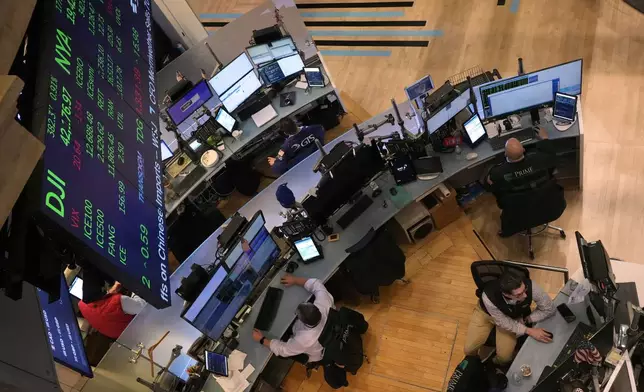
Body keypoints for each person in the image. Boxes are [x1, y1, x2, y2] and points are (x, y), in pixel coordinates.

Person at [464, 270, 556, 365]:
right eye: (519, 294)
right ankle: (474, 363)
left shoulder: (531, 286)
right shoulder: (488, 296)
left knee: (504, 358)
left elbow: (549, 308)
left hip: (511, 317)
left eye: (525, 289)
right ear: (506, 295)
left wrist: (527, 319)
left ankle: (490, 365)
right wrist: (530, 330)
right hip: (486, 314)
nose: (525, 295)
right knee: (468, 349)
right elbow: (503, 322)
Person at [252, 274, 334, 363]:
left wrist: (262, 339)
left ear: (302, 321)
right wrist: (294, 279)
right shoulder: (325, 303)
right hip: (332, 335)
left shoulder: (303, 340)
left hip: (317, 352)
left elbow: (283, 350)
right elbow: (315, 284)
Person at [486, 126, 557, 195]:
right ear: (524, 150)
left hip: (519, 203)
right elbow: (552, 156)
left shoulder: (497, 173)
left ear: (505, 154)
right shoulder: (541, 159)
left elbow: (489, 186)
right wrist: (545, 138)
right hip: (545, 197)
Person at [78, 281, 147, 340]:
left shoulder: (82, 304)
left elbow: (98, 305)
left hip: (122, 338)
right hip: (140, 331)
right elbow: (142, 306)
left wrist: (112, 291)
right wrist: (135, 288)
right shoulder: (117, 302)